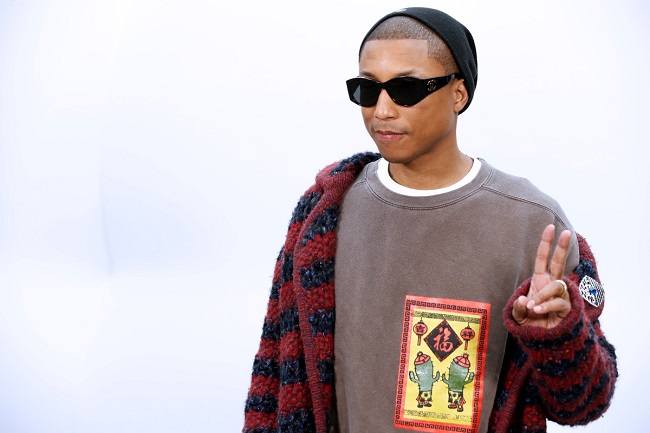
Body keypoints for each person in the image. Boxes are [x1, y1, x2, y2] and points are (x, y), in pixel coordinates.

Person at [243, 7, 617, 433]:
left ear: (458, 94)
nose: (382, 110)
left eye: (405, 89)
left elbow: (583, 404)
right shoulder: (324, 214)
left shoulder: (533, 224)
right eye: (367, 89)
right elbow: (274, 378)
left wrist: (560, 337)